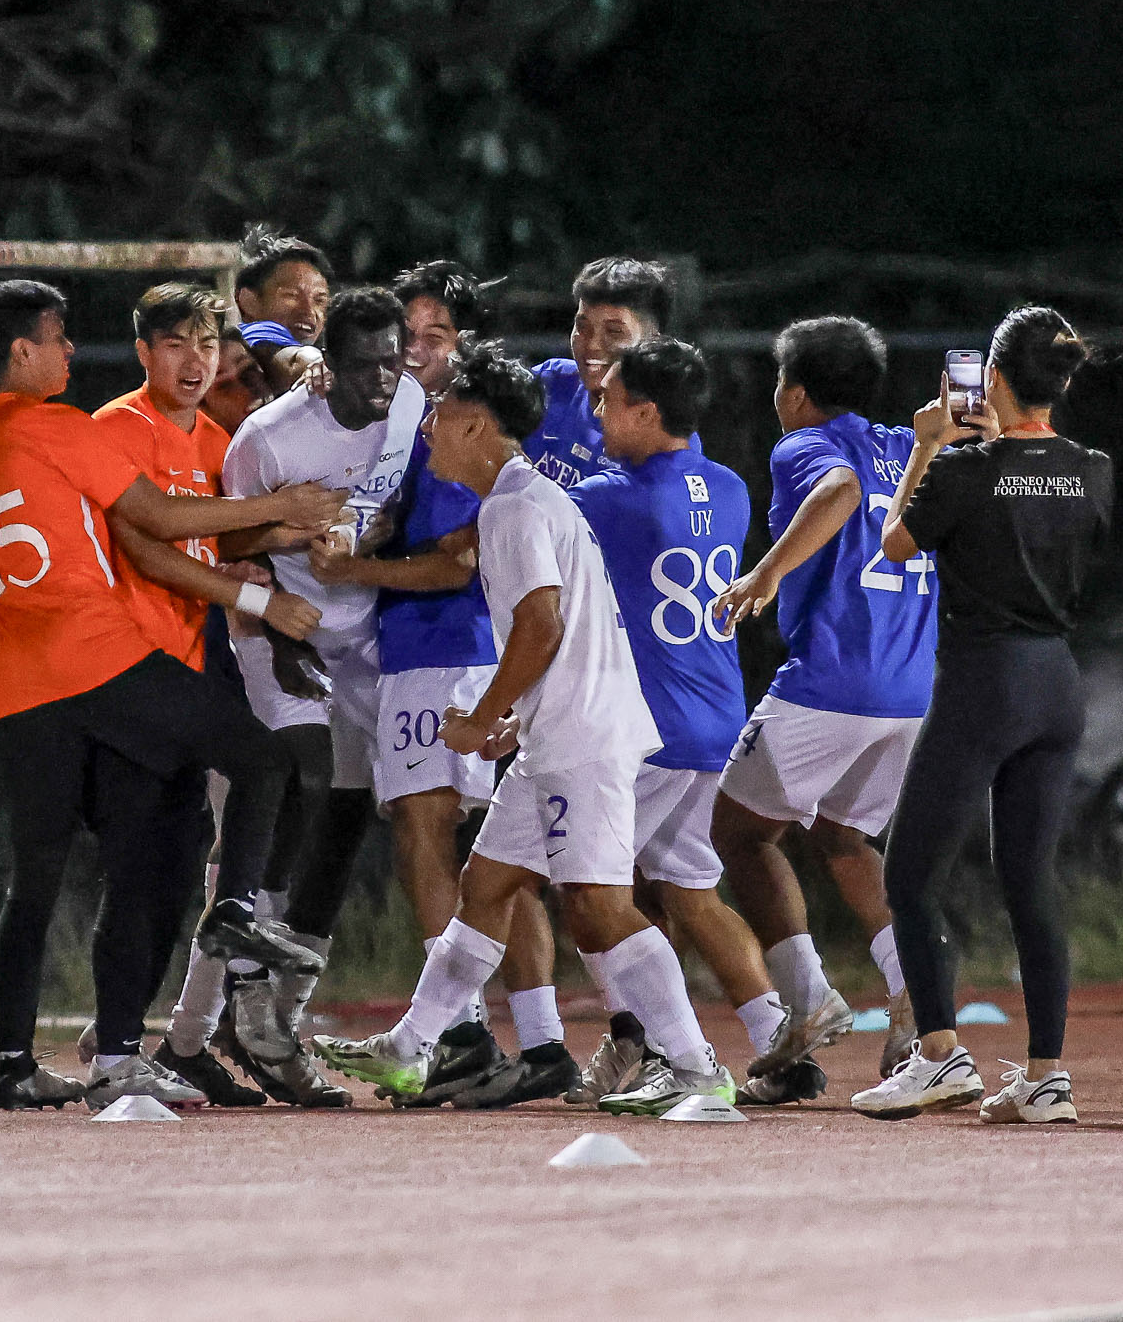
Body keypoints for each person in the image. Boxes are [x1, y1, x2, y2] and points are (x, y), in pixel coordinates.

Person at [0, 280, 344, 1111]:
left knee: (52, 872)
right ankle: (231, 914)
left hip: (19, 680)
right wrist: (279, 519)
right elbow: (156, 519)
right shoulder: (66, 425)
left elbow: (170, 522)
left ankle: (24, 1061)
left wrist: (262, 537)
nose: (64, 355)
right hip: (101, 656)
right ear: (23, 351)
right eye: (56, 341)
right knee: (258, 761)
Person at [315, 342, 735, 1116]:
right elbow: (556, 628)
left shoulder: (512, 506)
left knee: (603, 907)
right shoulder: (524, 499)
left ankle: (698, 1068)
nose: (429, 430)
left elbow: (539, 625)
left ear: (477, 427)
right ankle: (410, 1048)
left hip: (584, 738)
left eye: (439, 418)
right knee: (486, 884)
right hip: (559, 733)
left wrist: (479, 717)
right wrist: (513, 714)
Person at [308, 259, 569, 1109]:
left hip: (441, 653)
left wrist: (358, 565)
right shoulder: (417, 426)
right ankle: (539, 1039)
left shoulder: (460, 436)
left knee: (428, 834)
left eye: (434, 337)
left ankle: (457, 1039)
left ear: (466, 348)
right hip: (464, 653)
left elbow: (455, 566)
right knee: (504, 853)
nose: (414, 351)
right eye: (405, 337)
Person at [160, 285, 424, 1107]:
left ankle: (218, 1024)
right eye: (370, 363)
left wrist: (375, 532)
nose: (387, 377)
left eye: (396, 359)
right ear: (325, 369)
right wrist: (289, 564)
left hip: (366, 626)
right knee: (293, 777)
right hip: (280, 625)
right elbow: (227, 539)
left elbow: (400, 497)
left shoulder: (410, 403)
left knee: (367, 807)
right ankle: (249, 996)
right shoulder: (268, 438)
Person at [849, 307, 1112, 1123]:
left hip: (983, 679)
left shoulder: (966, 470)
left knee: (907, 876)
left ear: (991, 378)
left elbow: (892, 542)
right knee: (1029, 878)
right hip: (1057, 684)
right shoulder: (1094, 468)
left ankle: (938, 1053)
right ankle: (1047, 1075)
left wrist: (933, 440)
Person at [566, 338, 821, 1108]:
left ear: (647, 411)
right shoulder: (731, 486)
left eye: (611, 399)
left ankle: (665, 1053)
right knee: (692, 891)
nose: (596, 409)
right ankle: (779, 1038)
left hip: (652, 729)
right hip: (716, 718)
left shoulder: (612, 499)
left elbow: (524, 516)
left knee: (589, 891)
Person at [709, 316, 934, 1080]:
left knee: (737, 832)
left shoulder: (805, 445)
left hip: (836, 678)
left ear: (797, 394)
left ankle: (808, 996)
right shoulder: (909, 446)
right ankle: (913, 996)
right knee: (841, 837)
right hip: (913, 687)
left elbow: (838, 492)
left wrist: (765, 573)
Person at [79, 283, 266, 1109]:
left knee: (173, 861)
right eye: (177, 345)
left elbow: (213, 540)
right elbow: (144, 540)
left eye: (207, 343)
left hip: (189, 669)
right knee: (138, 867)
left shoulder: (219, 441)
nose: (196, 361)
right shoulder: (115, 429)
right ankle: (116, 1051)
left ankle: (121, 1039)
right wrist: (252, 583)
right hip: (124, 673)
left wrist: (249, 562)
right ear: (144, 351)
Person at [524, 256, 677, 487]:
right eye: (582, 327)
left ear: (653, 342)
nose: (592, 345)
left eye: (614, 332)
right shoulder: (549, 383)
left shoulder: (666, 434)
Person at [233, 223, 334, 392]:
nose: (308, 311)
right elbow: (294, 359)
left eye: (319, 300)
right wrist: (317, 364)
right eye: (291, 295)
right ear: (248, 300)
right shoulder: (233, 351)